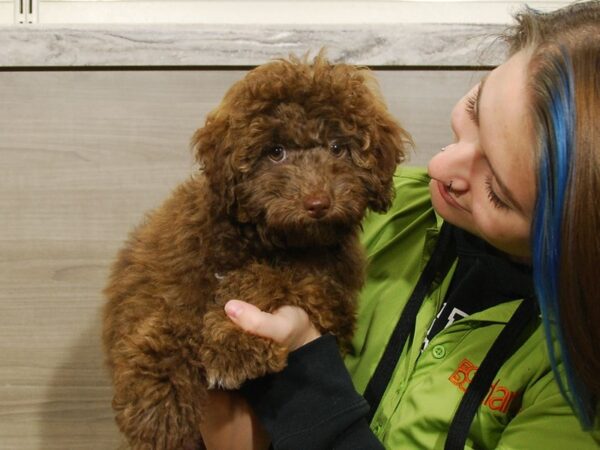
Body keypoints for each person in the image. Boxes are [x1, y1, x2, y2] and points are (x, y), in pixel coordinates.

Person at [199, 2, 600, 448]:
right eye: (475, 108)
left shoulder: (578, 385)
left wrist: (305, 370)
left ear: (577, 238)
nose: (441, 165)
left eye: (497, 193)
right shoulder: (366, 213)